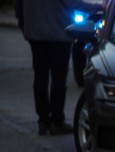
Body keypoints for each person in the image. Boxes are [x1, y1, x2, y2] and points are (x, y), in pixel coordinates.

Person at [15, 0, 99, 135]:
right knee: (58, 78)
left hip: (35, 33)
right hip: (59, 33)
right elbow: (72, 3)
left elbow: (18, 6)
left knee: (40, 77)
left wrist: (24, 26)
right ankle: (56, 121)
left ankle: (43, 120)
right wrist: (98, 7)